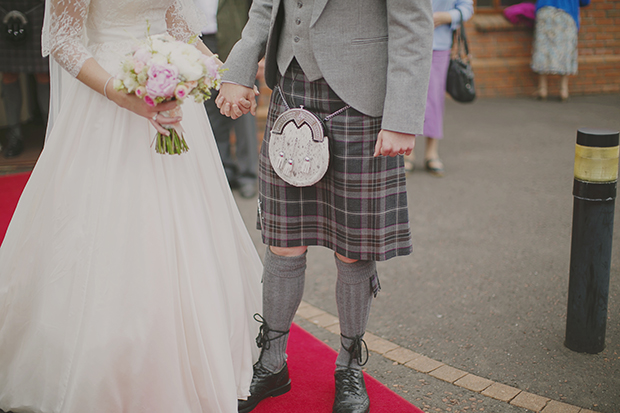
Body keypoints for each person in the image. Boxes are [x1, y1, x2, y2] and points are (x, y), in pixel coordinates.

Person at [0, 1, 262, 412]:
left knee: (185, 225)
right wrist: (125, 98)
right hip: (108, 94)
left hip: (171, 88)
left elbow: (181, 29)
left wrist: (225, 75)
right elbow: (65, 41)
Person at [216, 1, 433, 412]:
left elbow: (413, 26)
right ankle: (272, 362)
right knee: (283, 239)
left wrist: (402, 116)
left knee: (353, 247)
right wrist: (239, 70)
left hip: (361, 102)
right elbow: (264, 9)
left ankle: (349, 367)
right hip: (290, 94)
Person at [196, 0, 259, 198]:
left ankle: (248, 175)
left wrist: (260, 53)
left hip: (236, 40)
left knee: (242, 111)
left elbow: (259, 8)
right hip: (199, 39)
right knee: (210, 110)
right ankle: (224, 172)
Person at [404, 0, 473, 177]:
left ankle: (431, 152)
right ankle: (407, 153)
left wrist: (446, 17)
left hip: (439, 45)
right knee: (407, 98)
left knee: (434, 100)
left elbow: (466, 8)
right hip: (407, 44)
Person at [0, 0, 50, 158]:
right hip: (4, 8)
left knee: (42, 73)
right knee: (8, 73)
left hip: (37, 8)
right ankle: (14, 137)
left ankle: (50, 134)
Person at [531, 0, 590, 101]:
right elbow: (585, 1)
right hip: (566, 13)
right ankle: (563, 90)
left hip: (545, 10)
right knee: (565, 50)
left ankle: (542, 88)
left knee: (543, 49)